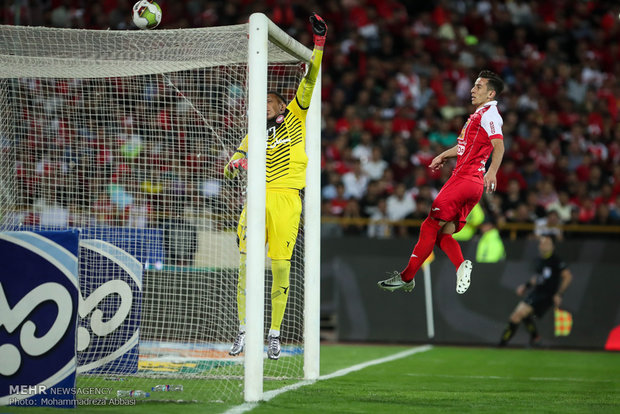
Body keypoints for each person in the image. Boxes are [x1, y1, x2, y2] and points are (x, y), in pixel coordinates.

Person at [223, 13, 327, 360]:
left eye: (270, 100)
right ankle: (241, 331)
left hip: (286, 200)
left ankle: (274, 333)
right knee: (244, 265)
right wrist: (233, 165)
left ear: (282, 105)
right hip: (256, 201)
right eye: (261, 101)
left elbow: (310, 81)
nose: (264, 105)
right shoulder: (255, 132)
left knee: (280, 267)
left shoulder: (296, 116)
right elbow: (237, 157)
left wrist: (319, 46)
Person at [378, 70, 505, 294]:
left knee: (428, 226)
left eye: (478, 87)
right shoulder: (480, 115)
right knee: (443, 234)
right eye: (474, 85)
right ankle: (461, 265)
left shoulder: (490, 114)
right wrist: (443, 155)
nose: (473, 90)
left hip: (464, 179)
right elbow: (465, 147)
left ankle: (407, 277)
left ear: (491, 93)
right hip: (471, 186)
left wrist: (492, 171)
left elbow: (499, 145)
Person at [498, 234, 572, 347]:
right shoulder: (540, 260)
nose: (543, 245)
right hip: (536, 293)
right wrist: (525, 286)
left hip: (546, 295)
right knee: (522, 315)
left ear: (553, 246)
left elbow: (567, 276)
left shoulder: (555, 260)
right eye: (542, 243)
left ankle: (502, 344)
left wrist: (559, 294)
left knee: (518, 314)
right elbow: (537, 278)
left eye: (547, 243)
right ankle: (535, 338)